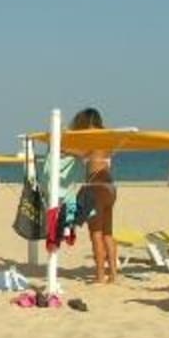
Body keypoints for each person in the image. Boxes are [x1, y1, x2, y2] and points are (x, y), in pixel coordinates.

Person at [70, 107, 117, 284]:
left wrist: (61, 145)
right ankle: (113, 274)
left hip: (96, 187)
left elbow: (82, 152)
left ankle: (99, 275)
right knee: (108, 234)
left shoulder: (91, 136)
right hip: (110, 188)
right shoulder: (108, 136)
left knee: (95, 234)